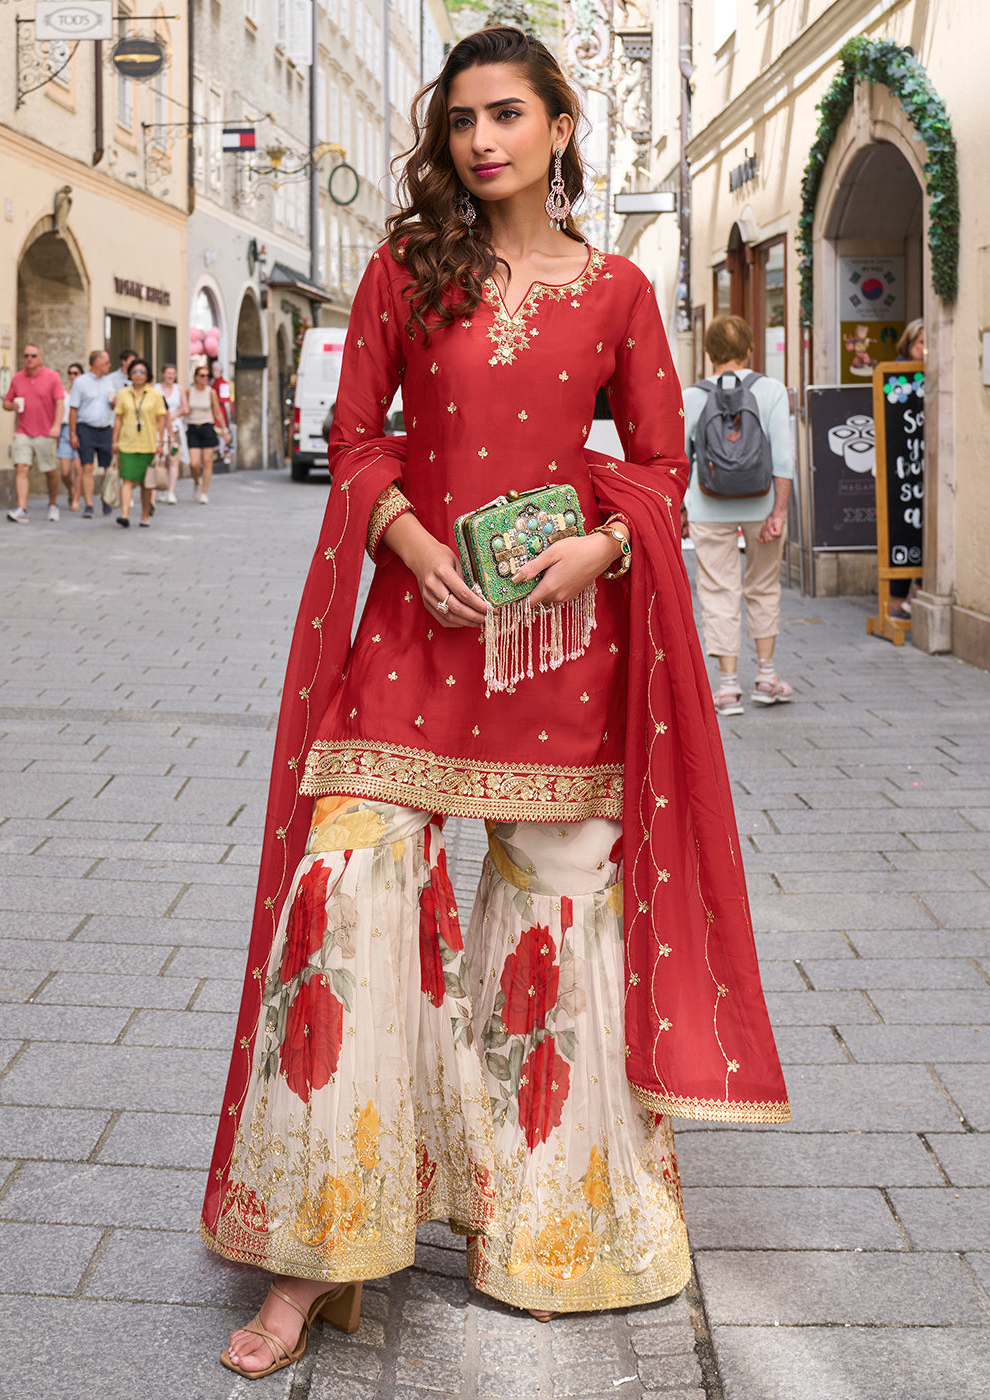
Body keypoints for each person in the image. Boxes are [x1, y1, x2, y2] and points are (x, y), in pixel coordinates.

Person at [202, 27, 788, 1380]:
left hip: (557, 659)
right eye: (462, 118)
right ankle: (314, 1247)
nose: (482, 141)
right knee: (337, 900)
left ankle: (547, 1227)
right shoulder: (409, 270)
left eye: (508, 114)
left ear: (563, 125)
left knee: (559, 934)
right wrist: (414, 553)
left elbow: (654, 465)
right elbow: (357, 445)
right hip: (412, 643)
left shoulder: (621, 292)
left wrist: (589, 552)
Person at [682, 315, 794, 715]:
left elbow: (680, 461)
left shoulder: (693, 396)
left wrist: (680, 508)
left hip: (709, 508)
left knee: (717, 590)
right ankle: (766, 677)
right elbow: (782, 457)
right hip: (762, 505)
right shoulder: (771, 390)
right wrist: (779, 511)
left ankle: (728, 688)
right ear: (749, 349)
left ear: (710, 354)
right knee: (763, 586)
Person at [3, 344, 65, 524]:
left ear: (40, 357)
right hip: (23, 431)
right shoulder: (17, 378)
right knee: (21, 467)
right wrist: (11, 406)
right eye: (26, 356)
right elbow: (6, 402)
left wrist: (56, 426)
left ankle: (53, 504)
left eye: (33, 355)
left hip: (45, 432)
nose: (29, 359)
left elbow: (59, 403)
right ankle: (22, 509)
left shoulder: (52, 377)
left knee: (49, 471)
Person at [890, 320, 924, 616]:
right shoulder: (896, 376)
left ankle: (921, 594)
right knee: (902, 526)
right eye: (921, 344)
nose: (925, 351)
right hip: (902, 466)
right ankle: (898, 600)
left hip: (923, 464)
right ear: (909, 344)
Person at [111, 357, 167, 528]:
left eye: (142, 371)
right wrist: (114, 441)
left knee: (145, 483)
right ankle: (125, 514)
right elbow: (118, 419)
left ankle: (144, 516)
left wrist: (161, 442)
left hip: (148, 443)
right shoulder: (123, 394)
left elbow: (161, 420)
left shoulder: (155, 394)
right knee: (126, 479)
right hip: (127, 442)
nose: (138, 375)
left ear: (147, 374)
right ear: (130, 374)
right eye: (134, 371)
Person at [68, 349, 118, 518]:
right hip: (86, 428)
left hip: (105, 428)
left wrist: (114, 404)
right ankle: (89, 504)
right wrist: (73, 434)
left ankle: (105, 498)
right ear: (96, 363)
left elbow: (114, 407)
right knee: (87, 466)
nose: (109, 365)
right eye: (106, 362)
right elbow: (73, 409)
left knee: (107, 468)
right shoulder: (80, 382)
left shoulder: (109, 381)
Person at [185, 363, 228, 502]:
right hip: (192, 427)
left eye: (207, 376)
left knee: (208, 461)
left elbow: (217, 412)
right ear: (196, 377)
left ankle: (204, 492)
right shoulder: (189, 391)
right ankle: (197, 482)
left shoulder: (211, 392)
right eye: (202, 376)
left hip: (207, 427)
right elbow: (184, 409)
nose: (205, 378)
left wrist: (224, 430)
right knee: (194, 463)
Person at [157, 363, 187, 503]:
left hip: (174, 428)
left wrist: (174, 414)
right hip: (158, 429)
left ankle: (171, 491)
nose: (170, 376)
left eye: (173, 373)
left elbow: (185, 408)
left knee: (173, 459)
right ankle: (160, 487)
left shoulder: (179, 389)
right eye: (168, 373)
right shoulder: (155, 389)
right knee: (160, 460)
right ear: (162, 374)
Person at [58, 363, 84, 511]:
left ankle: (75, 500)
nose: (72, 376)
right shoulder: (63, 392)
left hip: (81, 430)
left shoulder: (84, 392)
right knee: (65, 472)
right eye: (70, 373)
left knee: (79, 469)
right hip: (65, 430)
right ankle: (71, 489)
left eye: (76, 373)